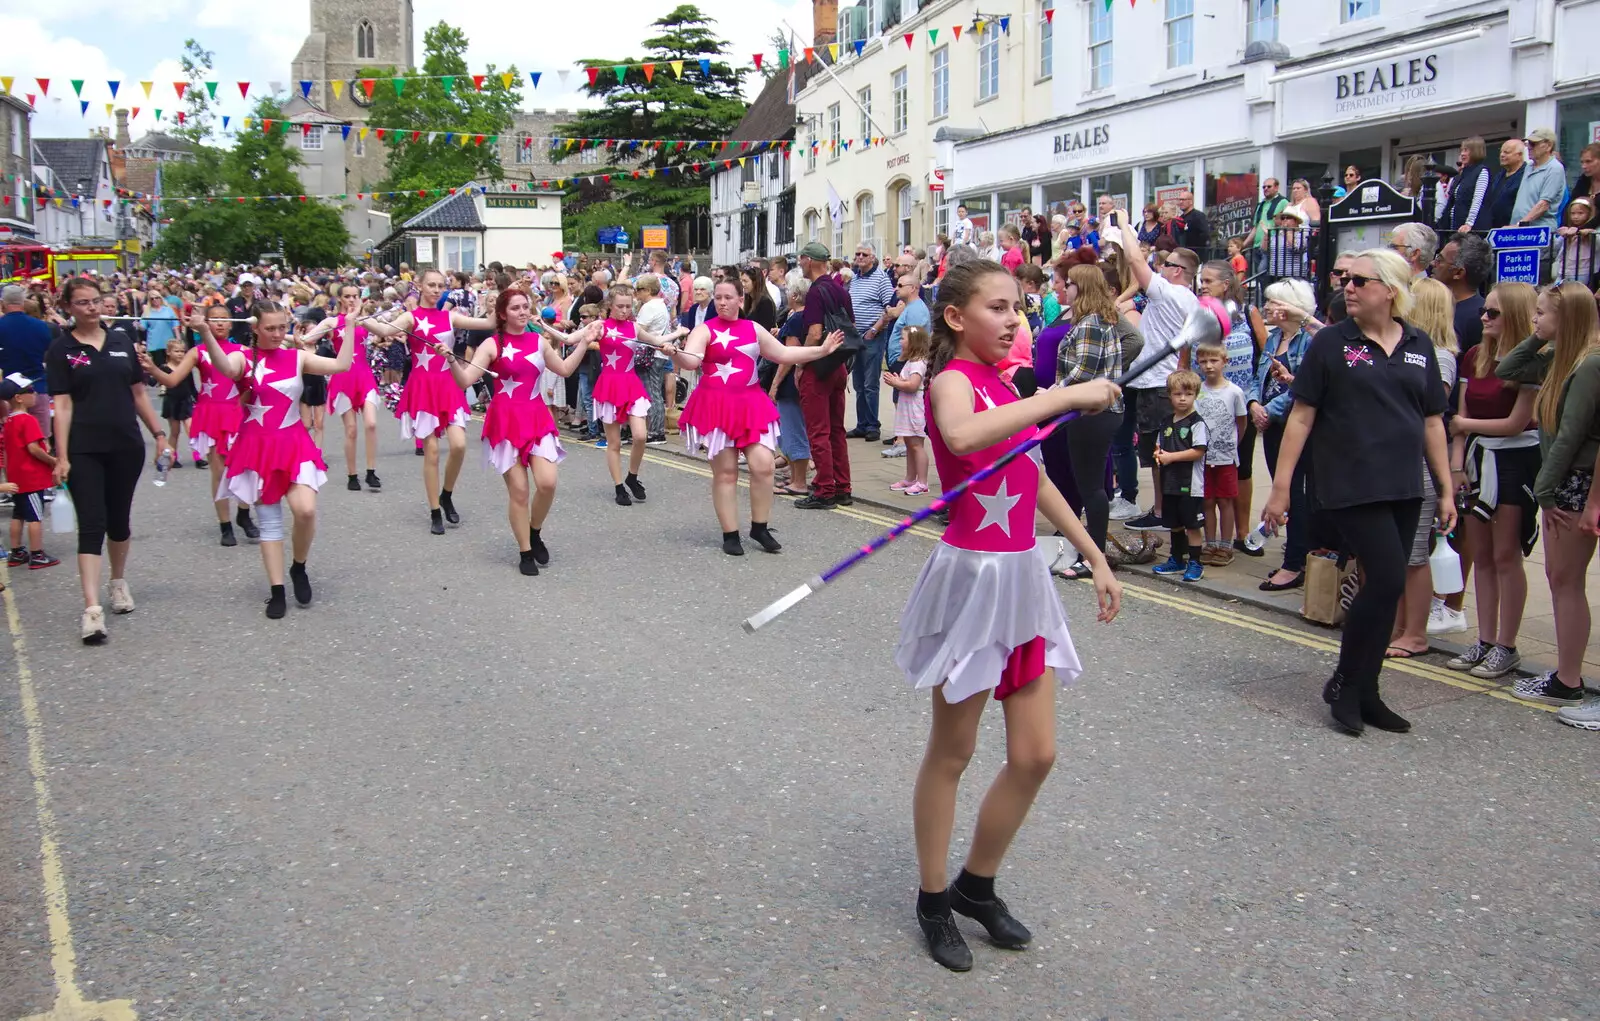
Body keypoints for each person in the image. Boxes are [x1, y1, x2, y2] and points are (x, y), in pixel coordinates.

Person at [901, 259, 1121, 973]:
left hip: (1025, 577)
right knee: (954, 751)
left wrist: (1092, 549)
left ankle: (976, 883)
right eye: (997, 307)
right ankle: (934, 898)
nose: (1013, 320)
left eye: (1018, 308)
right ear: (958, 318)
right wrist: (1062, 398)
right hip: (973, 583)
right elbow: (964, 439)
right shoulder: (952, 382)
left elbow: (1032, 472)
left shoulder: (1004, 384)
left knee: (1035, 754)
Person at [1262, 250, 1455, 736]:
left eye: (1359, 280)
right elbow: (1301, 416)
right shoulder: (1330, 343)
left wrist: (1447, 489)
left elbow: (1433, 420)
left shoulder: (1418, 343)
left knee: (1384, 585)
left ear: (1390, 289)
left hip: (1405, 485)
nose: (1347, 286)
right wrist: (1281, 488)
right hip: (1348, 483)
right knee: (1388, 578)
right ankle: (1347, 683)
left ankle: (1367, 690)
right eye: (1345, 279)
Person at [662, 277, 843, 555]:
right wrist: (676, 354)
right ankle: (730, 534)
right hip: (717, 406)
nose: (722, 302)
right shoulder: (705, 329)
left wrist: (821, 350)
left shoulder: (753, 328)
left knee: (764, 466)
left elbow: (783, 352)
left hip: (750, 404)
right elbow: (693, 360)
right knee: (726, 473)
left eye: (728, 297)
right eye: (718, 297)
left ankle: (759, 527)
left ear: (740, 300)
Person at [202, 303, 354, 618]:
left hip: (295, 444)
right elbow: (227, 370)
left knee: (306, 510)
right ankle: (276, 591)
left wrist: (349, 326)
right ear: (255, 328)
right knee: (270, 521)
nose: (276, 334)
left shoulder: (296, 357)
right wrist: (205, 331)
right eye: (269, 328)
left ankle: (298, 566)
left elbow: (341, 364)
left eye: (281, 327)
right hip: (256, 448)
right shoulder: (243, 358)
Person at [46, 277, 173, 644]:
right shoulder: (62, 349)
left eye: (96, 301)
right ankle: (91, 609)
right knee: (92, 522)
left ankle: (118, 582)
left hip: (125, 445)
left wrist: (159, 433)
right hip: (84, 447)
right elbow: (62, 405)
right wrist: (62, 455)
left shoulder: (120, 342)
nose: (91, 307)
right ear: (69, 307)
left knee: (118, 520)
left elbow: (138, 393)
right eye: (82, 302)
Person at [1496, 283, 1600, 709]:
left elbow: (1571, 436)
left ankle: (1568, 679)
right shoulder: (1561, 356)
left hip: (1572, 483)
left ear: (1568, 317)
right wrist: (1538, 337)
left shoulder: (1589, 364)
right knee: (1561, 581)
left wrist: (1544, 490)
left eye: (1542, 314)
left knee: (1566, 582)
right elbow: (1507, 370)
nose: (1534, 319)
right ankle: (1565, 674)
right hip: (1563, 482)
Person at [446, 287, 586, 575]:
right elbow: (464, 381)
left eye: (525, 307)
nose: (522, 312)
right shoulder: (491, 344)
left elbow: (565, 369)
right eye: (515, 308)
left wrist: (585, 341)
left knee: (547, 483)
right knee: (520, 491)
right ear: (502, 313)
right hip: (505, 422)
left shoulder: (538, 341)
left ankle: (534, 531)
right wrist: (450, 361)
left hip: (536, 418)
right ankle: (524, 551)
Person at [1446, 282, 1539, 681]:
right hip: (1475, 460)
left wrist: (1464, 426)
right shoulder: (1474, 356)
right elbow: (1462, 417)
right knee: (1479, 553)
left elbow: (1517, 422)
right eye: (1485, 310)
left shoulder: (1532, 361)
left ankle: (1507, 645)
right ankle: (1485, 640)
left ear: (1515, 316)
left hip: (1516, 460)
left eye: (1494, 313)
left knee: (1505, 556)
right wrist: (1455, 466)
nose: (1484, 317)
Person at [362, 268, 496, 534]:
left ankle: (446, 494)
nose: (436, 290)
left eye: (440, 286)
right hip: (423, 388)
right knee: (431, 452)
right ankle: (435, 509)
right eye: (431, 285)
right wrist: (362, 318)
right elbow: (384, 329)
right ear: (420, 287)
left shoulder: (450, 316)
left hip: (448, 385)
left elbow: (489, 324)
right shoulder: (411, 317)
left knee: (458, 446)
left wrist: (496, 302)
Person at [536, 284, 674, 506]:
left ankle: (633, 476)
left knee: (640, 435)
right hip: (609, 386)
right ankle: (619, 486)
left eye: (628, 306)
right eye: (620, 306)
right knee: (614, 443)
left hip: (631, 384)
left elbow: (657, 341)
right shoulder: (599, 326)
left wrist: (675, 338)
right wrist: (543, 325)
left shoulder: (634, 327)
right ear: (609, 305)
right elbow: (568, 339)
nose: (624, 310)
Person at [1385, 278, 1460, 659]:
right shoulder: (1410, 350)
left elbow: (1429, 413)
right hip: (1400, 464)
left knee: (1415, 555)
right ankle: (1399, 627)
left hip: (1423, 468)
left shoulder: (1439, 356)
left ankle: (1415, 632)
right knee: (1399, 554)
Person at [145, 305, 258, 546]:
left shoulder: (244, 351)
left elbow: (254, 384)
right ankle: (225, 525)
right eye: (214, 320)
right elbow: (173, 379)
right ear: (204, 323)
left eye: (224, 319)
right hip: (212, 415)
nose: (219, 324)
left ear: (231, 323)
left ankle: (244, 514)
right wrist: (153, 368)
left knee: (245, 466)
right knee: (219, 471)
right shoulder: (198, 352)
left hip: (238, 413)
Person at [1112, 221, 1200, 531]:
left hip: (1155, 385)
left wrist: (1124, 224)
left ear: (1178, 271)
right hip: (1162, 381)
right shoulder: (1189, 299)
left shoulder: (1167, 292)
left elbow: (1136, 262)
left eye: (1167, 263)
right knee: (1164, 450)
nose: (1161, 266)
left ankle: (1163, 513)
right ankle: (1167, 511)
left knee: (1159, 452)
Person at [1044, 263, 1127, 579]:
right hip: (1090, 411)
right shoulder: (1092, 320)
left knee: (1091, 488)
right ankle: (1084, 550)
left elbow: (1085, 371)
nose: (1065, 287)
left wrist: (1054, 392)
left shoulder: (1091, 323)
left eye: (1070, 283)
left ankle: (1095, 558)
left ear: (1083, 287)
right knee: (1086, 484)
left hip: (1094, 412)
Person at [301, 284, 382, 491]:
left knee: (371, 423)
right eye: (347, 296)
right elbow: (307, 339)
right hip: (344, 379)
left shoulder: (366, 320)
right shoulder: (332, 322)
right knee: (351, 429)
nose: (352, 300)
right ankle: (352, 474)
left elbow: (386, 331)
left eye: (355, 296)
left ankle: (371, 471)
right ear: (341, 299)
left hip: (364, 378)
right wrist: (293, 338)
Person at [792, 241, 855, 509]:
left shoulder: (816, 292)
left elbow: (815, 333)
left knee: (818, 431)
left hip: (818, 367)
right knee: (836, 430)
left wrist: (800, 363)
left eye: (801, 260)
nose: (800, 265)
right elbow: (851, 327)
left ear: (809, 260)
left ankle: (824, 489)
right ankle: (842, 487)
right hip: (838, 366)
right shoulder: (841, 289)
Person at [1191, 339, 1248, 566]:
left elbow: (1241, 423)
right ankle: (1210, 543)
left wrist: (1232, 444)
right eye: (1203, 361)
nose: (1209, 366)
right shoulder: (1198, 391)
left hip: (1225, 458)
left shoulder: (1234, 392)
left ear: (1225, 361)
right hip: (1203, 457)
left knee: (1225, 500)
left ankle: (1226, 544)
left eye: (1214, 360)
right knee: (1207, 501)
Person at [1149, 370, 1209, 581]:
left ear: (1195, 395)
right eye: (1178, 394)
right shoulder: (1166, 422)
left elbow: (1198, 451)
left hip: (1191, 485)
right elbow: (1159, 445)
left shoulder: (1197, 423)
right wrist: (1158, 454)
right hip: (1170, 483)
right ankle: (1176, 559)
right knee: (1174, 523)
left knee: (1192, 525)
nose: (1183, 399)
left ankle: (1195, 563)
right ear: (1169, 395)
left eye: (1188, 394)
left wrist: (1171, 457)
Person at [0, 378, 61, 571]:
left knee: (18, 514)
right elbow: (33, 448)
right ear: (18, 398)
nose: (34, 394)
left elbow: (8, 452)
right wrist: (52, 460)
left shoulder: (8, 421)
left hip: (16, 477)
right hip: (32, 478)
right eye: (30, 391)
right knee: (35, 516)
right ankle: (37, 554)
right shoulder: (28, 420)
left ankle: (16, 551)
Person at [769, 280, 813, 497]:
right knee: (799, 430)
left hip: (790, 384)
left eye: (788, 292)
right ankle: (796, 477)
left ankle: (798, 482)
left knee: (793, 432)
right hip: (805, 383)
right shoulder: (810, 317)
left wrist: (775, 385)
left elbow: (788, 357)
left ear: (795, 296)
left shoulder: (796, 319)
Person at [848, 243, 897, 442]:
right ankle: (861, 424)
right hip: (856, 336)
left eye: (864, 254)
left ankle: (872, 425)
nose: (860, 257)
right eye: (857, 254)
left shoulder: (881, 279)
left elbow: (889, 309)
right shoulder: (855, 278)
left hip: (873, 337)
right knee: (858, 383)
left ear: (872, 257)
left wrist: (875, 329)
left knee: (870, 383)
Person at [0, 284, 55, 441]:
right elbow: (48, 355)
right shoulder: (41, 327)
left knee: (14, 443)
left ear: (3, 303)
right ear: (22, 302)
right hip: (38, 389)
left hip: (9, 394)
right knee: (41, 441)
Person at [883, 325, 930, 495]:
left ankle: (923, 482)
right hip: (907, 407)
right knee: (910, 445)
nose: (900, 341)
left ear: (913, 343)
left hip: (914, 408)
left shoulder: (918, 363)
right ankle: (910, 478)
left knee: (917, 445)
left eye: (903, 339)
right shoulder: (912, 361)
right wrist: (898, 379)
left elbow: (912, 385)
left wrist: (897, 383)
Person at [1431, 234, 1491, 360]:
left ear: (1458, 273)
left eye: (1439, 260)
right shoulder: (1433, 304)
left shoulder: (1480, 318)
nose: (1433, 263)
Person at [633, 274, 673, 444]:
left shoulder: (649, 307)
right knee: (655, 391)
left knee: (652, 393)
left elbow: (637, 330)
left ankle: (656, 432)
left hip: (650, 354)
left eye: (639, 290)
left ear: (648, 290)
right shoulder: (661, 305)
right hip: (659, 353)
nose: (636, 294)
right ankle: (656, 429)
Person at [1512, 128, 1566, 229]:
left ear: (1548, 146)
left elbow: (1543, 205)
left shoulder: (1555, 168)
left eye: (1533, 144)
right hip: (1520, 229)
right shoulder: (1529, 166)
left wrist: (1520, 224)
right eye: (1528, 143)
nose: (1529, 147)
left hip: (1538, 231)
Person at [1444, 137, 1492, 233]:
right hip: (1456, 226)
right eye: (1462, 150)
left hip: (1470, 229)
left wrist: (1469, 223)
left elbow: (1477, 199)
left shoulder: (1481, 171)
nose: (1462, 154)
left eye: (1466, 150)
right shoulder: (1463, 174)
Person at [1551, 197, 1596, 285]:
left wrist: (1587, 233)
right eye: (1573, 213)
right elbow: (1556, 247)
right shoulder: (1568, 230)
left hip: (1581, 271)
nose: (1576, 216)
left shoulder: (1591, 232)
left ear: (1589, 213)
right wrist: (1560, 235)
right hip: (1563, 270)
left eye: (1580, 213)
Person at [1485, 139, 1528, 230]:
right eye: (1501, 152)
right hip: (1494, 228)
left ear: (1519, 155)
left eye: (1506, 152)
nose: (1502, 155)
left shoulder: (1526, 175)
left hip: (1513, 229)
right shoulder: (1499, 175)